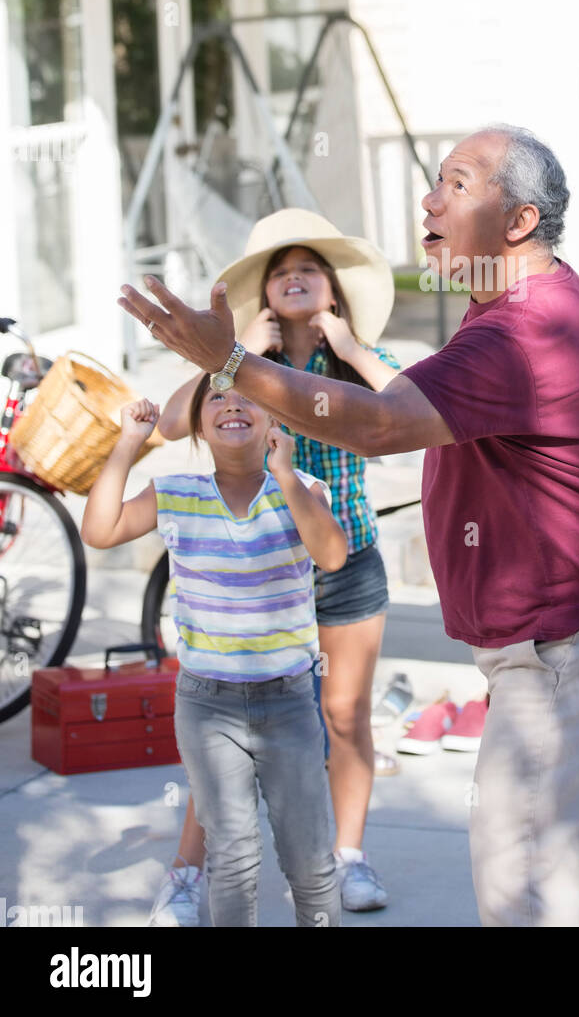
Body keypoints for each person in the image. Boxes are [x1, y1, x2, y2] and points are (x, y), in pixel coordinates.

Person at [118, 123, 579, 928]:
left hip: (562, 647)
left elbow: (374, 423)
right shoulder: (516, 304)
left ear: (517, 222)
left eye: (459, 183)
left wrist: (229, 364)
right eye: (435, 180)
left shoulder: (523, 327)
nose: (429, 198)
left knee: (530, 886)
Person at [149, 210, 401, 922]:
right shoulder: (239, 365)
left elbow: (411, 407)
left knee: (344, 713)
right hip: (253, 566)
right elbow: (171, 424)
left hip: (340, 555)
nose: (294, 275)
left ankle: (346, 858)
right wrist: (229, 355)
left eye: (310, 267)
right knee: (228, 715)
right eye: (281, 268)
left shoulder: (358, 355)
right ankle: (189, 871)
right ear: (264, 291)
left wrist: (350, 345)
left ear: (332, 289)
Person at [81, 381, 347, 928]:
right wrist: (129, 443)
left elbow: (333, 554)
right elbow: (100, 530)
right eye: (217, 398)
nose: (232, 404)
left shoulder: (303, 490)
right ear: (200, 427)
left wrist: (286, 476)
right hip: (207, 705)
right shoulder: (175, 492)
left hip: (291, 703)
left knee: (311, 861)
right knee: (232, 858)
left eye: (248, 396)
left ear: (275, 421)